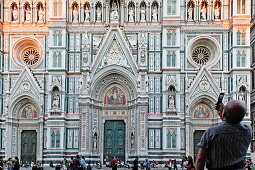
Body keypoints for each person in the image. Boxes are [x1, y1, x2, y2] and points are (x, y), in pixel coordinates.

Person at [196, 100, 252, 170]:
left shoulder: (211, 132)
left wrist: (223, 115)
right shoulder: (248, 131)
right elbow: (230, 127)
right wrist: (224, 116)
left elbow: (200, 159)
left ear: (224, 113)